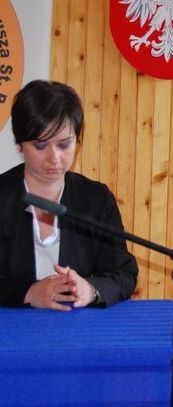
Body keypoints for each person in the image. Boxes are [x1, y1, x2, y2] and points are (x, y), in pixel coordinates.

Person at [0, 80, 138, 310]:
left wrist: (91, 289)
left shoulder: (96, 199)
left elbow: (124, 273)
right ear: (19, 144)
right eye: (40, 146)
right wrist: (29, 293)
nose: (54, 158)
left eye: (64, 145)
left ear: (78, 141)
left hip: (75, 324)